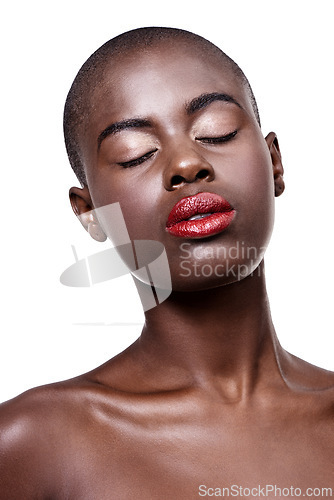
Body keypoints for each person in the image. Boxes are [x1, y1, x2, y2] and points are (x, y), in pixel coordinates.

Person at [0, 27, 333, 499]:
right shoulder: (28, 445)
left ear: (275, 162)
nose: (185, 163)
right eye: (135, 155)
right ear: (90, 214)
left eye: (217, 129)